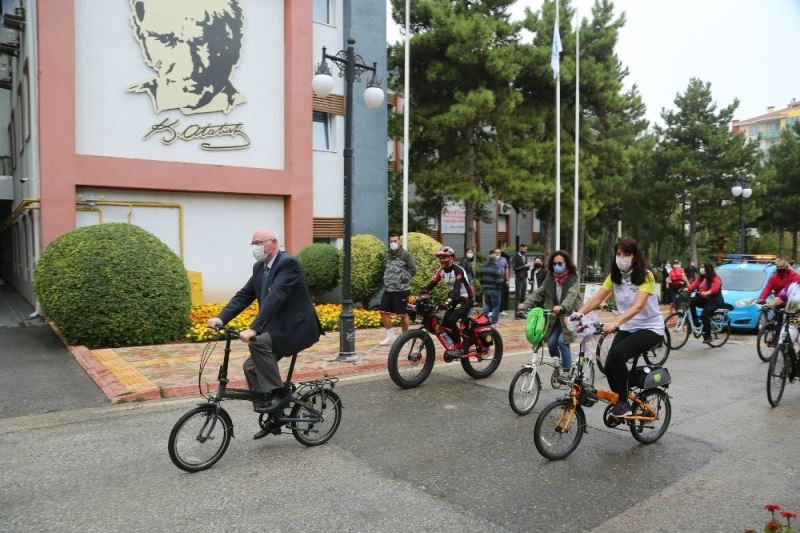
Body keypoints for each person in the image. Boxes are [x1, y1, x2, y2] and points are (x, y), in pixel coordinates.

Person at [208, 228, 323, 439]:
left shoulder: (288, 264)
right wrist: (221, 318)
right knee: (250, 367)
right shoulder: (260, 268)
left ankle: (279, 394)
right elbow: (244, 296)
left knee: (258, 342)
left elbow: (276, 297)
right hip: (277, 328)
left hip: (295, 328)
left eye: (259, 243)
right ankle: (275, 417)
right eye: (253, 243)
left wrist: (255, 328)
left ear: (273, 243)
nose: (255, 247)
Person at [575, 239, 665, 418]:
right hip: (628, 326)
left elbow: (638, 306)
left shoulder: (646, 276)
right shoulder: (614, 277)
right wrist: (577, 315)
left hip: (650, 328)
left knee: (618, 355)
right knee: (609, 365)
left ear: (635, 257)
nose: (622, 258)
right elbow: (595, 299)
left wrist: (615, 323)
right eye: (619, 254)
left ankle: (624, 404)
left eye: (627, 254)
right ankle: (622, 398)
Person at [128, 0, 247, 115]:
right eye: (166, 40)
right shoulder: (125, 104)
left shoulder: (252, 111)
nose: (189, 70)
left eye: (202, 41)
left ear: (234, 43)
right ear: (140, 35)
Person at [519, 250, 581, 382]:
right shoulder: (550, 277)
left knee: (561, 341)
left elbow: (572, 294)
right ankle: (557, 366)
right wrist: (526, 304)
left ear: (566, 263)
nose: (557, 265)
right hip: (555, 317)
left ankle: (567, 370)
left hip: (570, 316)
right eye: (554, 263)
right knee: (552, 343)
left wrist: (563, 307)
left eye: (560, 263)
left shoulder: (573, 276)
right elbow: (540, 292)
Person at [423, 246, 475, 358]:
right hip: (455, 298)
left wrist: (449, 301)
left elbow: (456, 288)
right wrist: (421, 294)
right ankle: (453, 343)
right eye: (440, 257)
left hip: (465, 299)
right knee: (444, 322)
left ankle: (458, 346)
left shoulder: (458, 270)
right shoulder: (441, 271)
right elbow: (431, 284)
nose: (442, 259)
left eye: (444, 257)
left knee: (451, 319)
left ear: (451, 257)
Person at [379, 234, 417, 346]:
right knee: (383, 312)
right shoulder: (388, 255)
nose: (392, 243)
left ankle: (404, 338)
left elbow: (413, 270)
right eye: (391, 241)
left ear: (399, 242)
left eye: (395, 241)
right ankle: (390, 336)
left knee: (403, 315)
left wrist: (402, 278)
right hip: (388, 289)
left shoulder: (406, 255)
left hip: (402, 290)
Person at [684, 262, 724, 344]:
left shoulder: (715, 277)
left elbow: (715, 288)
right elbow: (694, 285)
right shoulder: (702, 277)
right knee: (691, 302)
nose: (701, 269)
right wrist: (687, 289)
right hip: (705, 298)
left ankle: (708, 336)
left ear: (707, 269)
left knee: (704, 315)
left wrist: (708, 292)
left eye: (703, 267)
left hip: (714, 300)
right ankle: (696, 324)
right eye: (701, 267)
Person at [479, 250, 505, 324]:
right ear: (495, 260)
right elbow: (500, 280)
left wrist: (484, 285)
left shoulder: (483, 267)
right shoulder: (496, 268)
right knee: (495, 306)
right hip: (495, 289)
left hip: (485, 289)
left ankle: (483, 320)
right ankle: (494, 322)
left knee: (487, 305)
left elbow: (480, 278)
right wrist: (500, 287)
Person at [512, 244, 532, 318]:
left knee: (523, 297)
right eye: (523, 249)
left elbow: (524, 268)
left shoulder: (525, 256)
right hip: (518, 278)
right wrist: (524, 266)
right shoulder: (515, 256)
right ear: (520, 248)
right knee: (518, 296)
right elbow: (515, 268)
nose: (524, 251)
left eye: (525, 249)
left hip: (524, 278)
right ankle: (516, 314)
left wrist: (527, 268)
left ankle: (521, 313)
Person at [496, 248, 511, 316]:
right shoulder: (492, 259)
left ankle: (501, 310)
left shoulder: (504, 259)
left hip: (502, 280)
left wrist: (507, 279)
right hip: (494, 281)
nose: (497, 253)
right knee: (495, 296)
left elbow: (506, 269)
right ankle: (493, 310)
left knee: (502, 295)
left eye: (499, 252)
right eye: (496, 252)